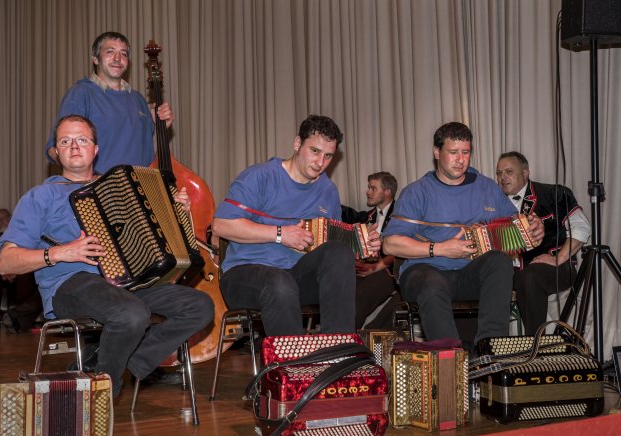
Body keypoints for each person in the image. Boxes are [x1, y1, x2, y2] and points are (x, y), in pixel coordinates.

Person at [0, 115, 213, 397]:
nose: (74, 146)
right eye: (65, 141)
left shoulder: (119, 187)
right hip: (71, 284)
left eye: (82, 140)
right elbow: (5, 263)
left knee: (200, 305)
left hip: (128, 283)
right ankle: (104, 392)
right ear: (56, 152)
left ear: (95, 149)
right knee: (131, 314)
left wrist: (174, 211)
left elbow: (149, 234)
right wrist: (61, 252)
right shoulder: (41, 196)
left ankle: (116, 359)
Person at [212, 114, 381, 336]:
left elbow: (330, 246)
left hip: (296, 277)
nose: (320, 163)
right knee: (279, 282)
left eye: (328, 156)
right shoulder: (260, 176)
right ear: (297, 143)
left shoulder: (328, 191)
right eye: (315, 151)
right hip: (244, 275)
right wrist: (280, 234)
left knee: (339, 252)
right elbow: (221, 225)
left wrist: (363, 245)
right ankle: (294, 358)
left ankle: (338, 347)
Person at [382, 122, 544, 346]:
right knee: (431, 282)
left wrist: (533, 227)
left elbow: (516, 226)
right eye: (453, 152)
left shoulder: (487, 188)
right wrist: (441, 249)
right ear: (437, 152)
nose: (460, 160)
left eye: (465, 152)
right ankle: (451, 357)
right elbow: (389, 244)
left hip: (469, 274)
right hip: (425, 271)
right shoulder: (417, 192)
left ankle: (490, 347)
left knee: (499, 262)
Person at [45, 31, 174, 173]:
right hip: (102, 185)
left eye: (123, 54)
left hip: (141, 185)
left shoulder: (138, 100)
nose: (118, 58)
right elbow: (54, 150)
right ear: (95, 59)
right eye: (110, 52)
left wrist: (161, 127)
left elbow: (146, 153)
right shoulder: (81, 94)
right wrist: (84, 178)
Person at [496, 151, 590, 335]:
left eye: (509, 172)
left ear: (525, 173)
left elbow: (582, 227)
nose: (503, 177)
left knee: (529, 276)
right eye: (499, 173)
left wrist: (559, 258)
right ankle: (485, 346)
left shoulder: (553, 194)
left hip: (556, 268)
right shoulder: (493, 202)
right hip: (509, 272)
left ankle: (536, 342)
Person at [342, 172, 401, 329]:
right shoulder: (366, 217)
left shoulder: (402, 215)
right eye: (369, 188)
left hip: (389, 272)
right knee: (340, 288)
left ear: (387, 192)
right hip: (366, 269)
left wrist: (376, 267)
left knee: (360, 295)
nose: (368, 192)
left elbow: (401, 250)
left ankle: (346, 336)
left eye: (373, 188)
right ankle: (338, 333)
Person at [0, 209, 42, 330]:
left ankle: (15, 315)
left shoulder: (22, 232)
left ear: (10, 218)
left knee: (25, 277)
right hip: (1, 270)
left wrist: (10, 269)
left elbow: (25, 254)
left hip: (18, 268)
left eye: (1, 219)